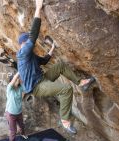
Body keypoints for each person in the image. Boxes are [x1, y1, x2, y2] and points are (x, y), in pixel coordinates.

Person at [16, 0, 95, 134]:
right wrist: (38, 8)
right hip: (37, 87)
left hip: (42, 79)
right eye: (28, 41)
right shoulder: (23, 53)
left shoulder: (30, 56)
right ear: (23, 43)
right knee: (66, 89)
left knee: (60, 66)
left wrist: (51, 49)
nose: (30, 42)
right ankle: (65, 120)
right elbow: (33, 34)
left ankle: (81, 83)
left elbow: (44, 61)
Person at [5, 72, 28, 141]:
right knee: (13, 131)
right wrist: (21, 70)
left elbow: (25, 88)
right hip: (11, 114)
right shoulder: (10, 88)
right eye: (17, 79)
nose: (18, 79)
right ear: (13, 81)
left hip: (19, 112)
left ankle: (23, 134)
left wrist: (21, 81)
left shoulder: (20, 87)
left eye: (19, 79)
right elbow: (14, 79)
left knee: (22, 126)